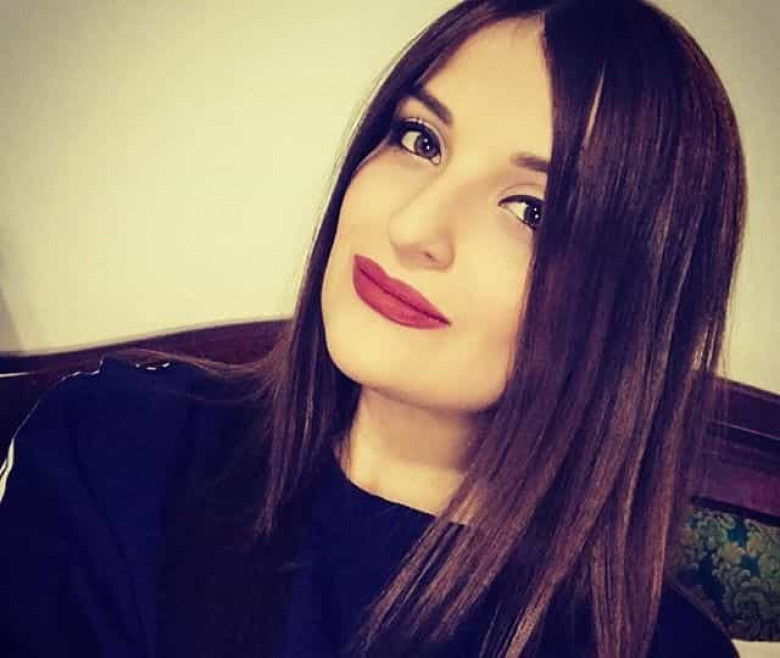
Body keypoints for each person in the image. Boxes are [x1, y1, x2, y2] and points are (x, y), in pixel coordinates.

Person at [0, 0, 746, 656]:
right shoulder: (119, 444)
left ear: (636, 308)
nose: (413, 225)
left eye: (532, 210)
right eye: (420, 140)